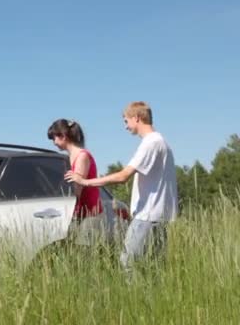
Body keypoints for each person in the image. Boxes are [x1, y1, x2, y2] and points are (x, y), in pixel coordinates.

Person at [64, 101, 178, 270]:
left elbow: (123, 176)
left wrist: (85, 181)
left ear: (137, 118)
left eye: (126, 121)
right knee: (153, 267)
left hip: (147, 215)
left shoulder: (150, 143)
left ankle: (136, 296)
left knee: (128, 263)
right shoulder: (161, 141)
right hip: (159, 215)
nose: (125, 126)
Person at [47, 118, 105, 246]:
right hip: (79, 214)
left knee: (84, 253)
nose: (54, 142)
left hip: (87, 214)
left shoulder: (82, 156)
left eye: (54, 138)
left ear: (63, 136)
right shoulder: (70, 157)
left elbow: (76, 190)